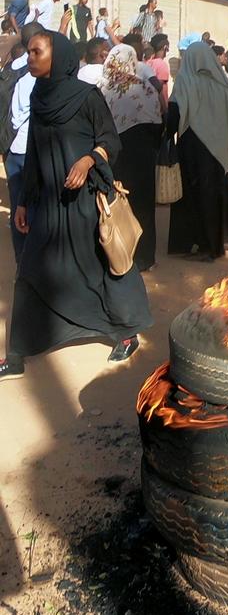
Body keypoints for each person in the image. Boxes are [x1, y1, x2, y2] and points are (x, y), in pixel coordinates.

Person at [0, 31, 151, 380]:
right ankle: (18, 354)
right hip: (51, 205)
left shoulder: (87, 97)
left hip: (86, 203)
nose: (31, 57)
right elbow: (36, 155)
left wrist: (87, 161)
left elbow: (110, 142)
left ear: (59, 56)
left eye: (37, 52)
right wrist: (23, 202)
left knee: (104, 266)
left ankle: (128, 333)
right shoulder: (39, 96)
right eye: (31, 52)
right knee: (29, 272)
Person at [166, 38, 228, 260]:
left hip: (192, 149)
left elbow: (174, 113)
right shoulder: (224, 87)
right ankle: (213, 246)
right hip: (219, 152)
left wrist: (167, 135)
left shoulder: (185, 82)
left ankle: (194, 243)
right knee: (213, 198)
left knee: (191, 197)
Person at [97, 43, 163, 271]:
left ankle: (117, 255)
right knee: (143, 205)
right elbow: (157, 125)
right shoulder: (145, 88)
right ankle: (144, 257)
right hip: (142, 155)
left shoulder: (101, 89)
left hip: (112, 155)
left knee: (114, 205)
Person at [4, 26, 39, 262]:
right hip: (28, 147)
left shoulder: (10, 68)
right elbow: (20, 114)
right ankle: (31, 263)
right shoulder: (31, 75)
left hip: (10, 147)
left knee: (17, 203)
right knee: (32, 206)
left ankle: (21, 262)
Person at [147, 33, 172, 109]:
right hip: (159, 108)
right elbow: (158, 88)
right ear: (165, 47)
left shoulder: (148, 62)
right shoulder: (162, 65)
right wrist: (165, 110)